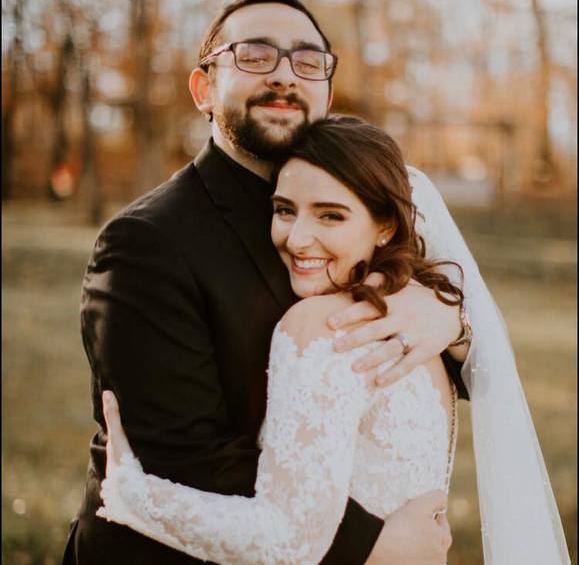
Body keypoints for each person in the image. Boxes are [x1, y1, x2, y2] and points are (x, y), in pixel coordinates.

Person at [62, 0, 472, 564]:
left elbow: (452, 381)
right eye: (254, 56)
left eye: (308, 61)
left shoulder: (380, 208)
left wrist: (452, 320)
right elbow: (184, 459)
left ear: (327, 92)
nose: (284, 75)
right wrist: (378, 544)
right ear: (204, 90)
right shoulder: (144, 243)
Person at [98, 116, 571, 564]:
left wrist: (134, 496)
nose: (298, 238)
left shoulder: (323, 327)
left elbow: (287, 540)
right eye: (285, 210)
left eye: (330, 216)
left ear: (385, 225)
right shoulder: (423, 323)